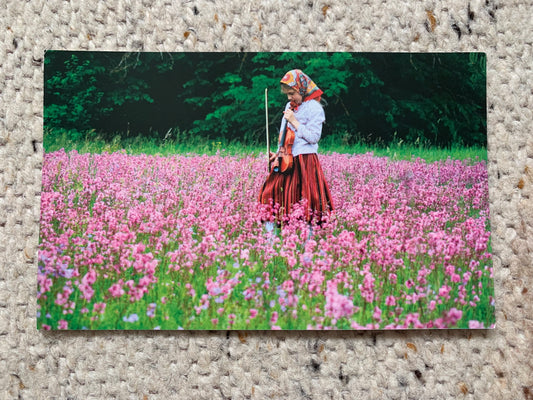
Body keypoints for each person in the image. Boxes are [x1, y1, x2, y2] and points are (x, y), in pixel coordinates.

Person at [258, 69, 334, 226]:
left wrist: (295, 122)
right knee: (269, 193)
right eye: (287, 94)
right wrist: (278, 152)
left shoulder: (315, 108)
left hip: (305, 160)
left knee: (307, 200)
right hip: (287, 159)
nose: (289, 97)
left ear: (301, 89)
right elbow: (284, 134)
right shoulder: (289, 106)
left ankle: (309, 238)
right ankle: (270, 238)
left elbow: (314, 138)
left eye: (292, 93)